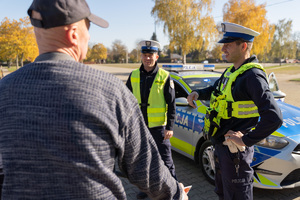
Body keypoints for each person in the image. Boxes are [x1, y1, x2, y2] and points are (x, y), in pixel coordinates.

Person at [0, 1, 188, 199]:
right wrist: (177, 194)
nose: (89, 37)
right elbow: (146, 167)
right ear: (73, 34)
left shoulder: (4, 91)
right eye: (87, 29)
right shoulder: (109, 91)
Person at [187, 22, 283, 200]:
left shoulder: (253, 76)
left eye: (228, 45)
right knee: (223, 193)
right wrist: (198, 93)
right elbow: (215, 90)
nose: (223, 49)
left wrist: (246, 140)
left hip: (236, 153)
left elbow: (274, 118)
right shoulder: (232, 71)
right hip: (222, 149)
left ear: (244, 46)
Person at [126, 40, 177, 199]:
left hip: (159, 128)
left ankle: (173, 189)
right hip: (139, 127)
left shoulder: (164, 76)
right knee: (143, 160)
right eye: (145, 55)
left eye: (151, 55)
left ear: (157, 56)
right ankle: (147, 189)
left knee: (166, 160)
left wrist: (170, 127)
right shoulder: (134, 75)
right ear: (141, 56)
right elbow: (125, 99)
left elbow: (172, 104)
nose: (148, 58)